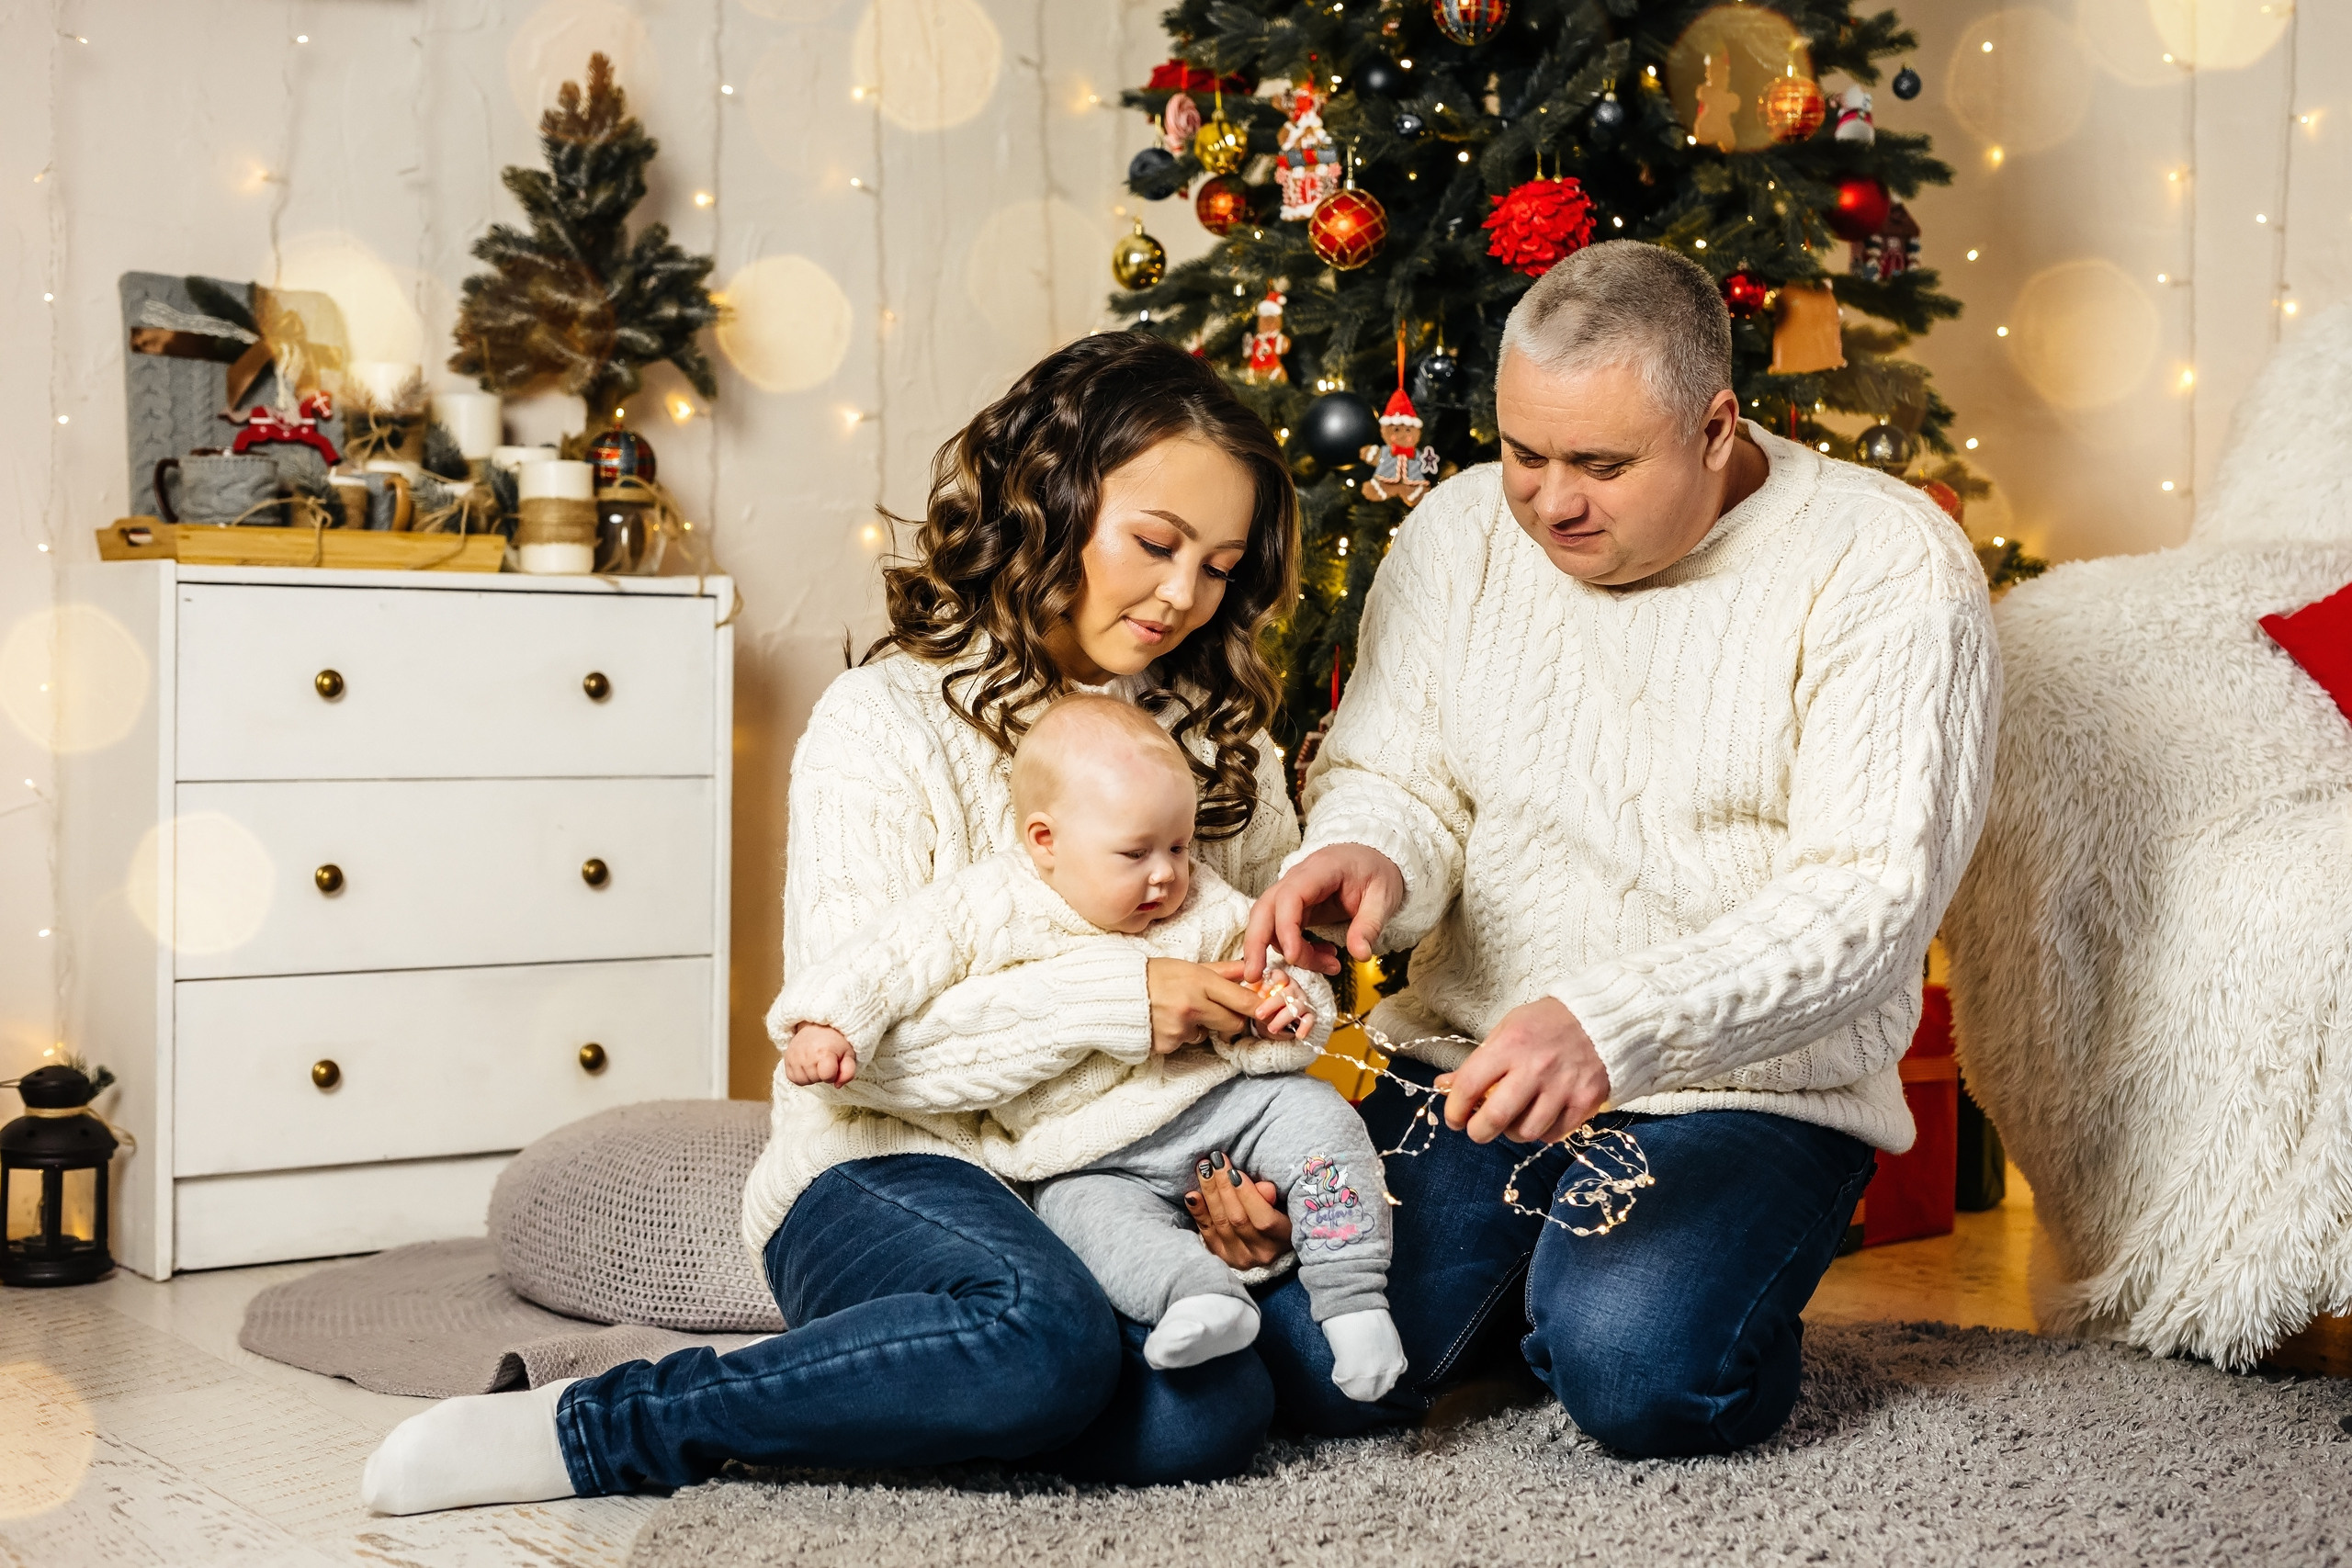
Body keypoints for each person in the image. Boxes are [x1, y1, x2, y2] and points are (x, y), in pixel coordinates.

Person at [361, 333, 1314, 1515]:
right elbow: (864, 1056)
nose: (1184, 595)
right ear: (1049, 505)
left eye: (1220, 567)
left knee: (1214, 1412)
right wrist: (1129, 1004)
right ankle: (603, 1424)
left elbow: (1267, 998)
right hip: (884, 1168)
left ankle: (963, 1374)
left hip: (1111, 1183)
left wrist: (1237, 1174)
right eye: (1157, 545)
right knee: (1043, 1341)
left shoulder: (1220, 736)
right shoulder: (881, 724)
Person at [1243, 241, 1999, 1456]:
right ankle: (1536, 1274)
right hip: (1473, 1064)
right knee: (1307, 1364)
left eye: (1600, 462)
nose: (1551, 500)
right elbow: (1397, 774)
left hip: (1746, 1090)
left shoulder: (1887, 564)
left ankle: (1602, 1294)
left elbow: (1869, 900)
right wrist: (1365, 853)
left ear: (1715, 425)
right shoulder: (1455, 534)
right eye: (1525, 454)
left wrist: (1609, 1021)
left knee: (1641, 1376)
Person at [768, 694, 1405, 1400]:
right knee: (1083, 1220)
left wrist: (1283, 1013)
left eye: (1179, 847)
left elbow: (1276, 975)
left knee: (1320, 1117)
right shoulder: (990, 905)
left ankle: (1354, 1299)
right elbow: (887, 959)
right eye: (1136, 853)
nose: (1166, 875)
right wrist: (831, 1022)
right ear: (1046, 841)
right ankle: (1198, 1298)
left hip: (1225, 1115)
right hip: (1086, 1159)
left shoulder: (1200, 901)